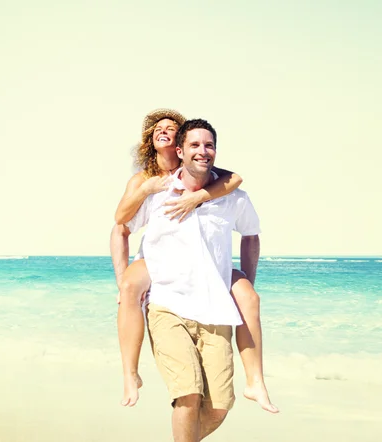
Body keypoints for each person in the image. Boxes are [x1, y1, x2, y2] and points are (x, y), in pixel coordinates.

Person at [110, 110, 277, 414]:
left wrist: (197, 198)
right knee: (130, 289)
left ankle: (255, 381)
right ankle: (130, 374)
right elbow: (120, 223)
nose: (164, 132)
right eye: (158, 129)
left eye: (171, 128)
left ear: (179, 141)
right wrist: (120, 280)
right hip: (159, 259)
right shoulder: (147, 181)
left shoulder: (207, 176)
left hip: (205, 262)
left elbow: (234, 179)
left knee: (248, 296)